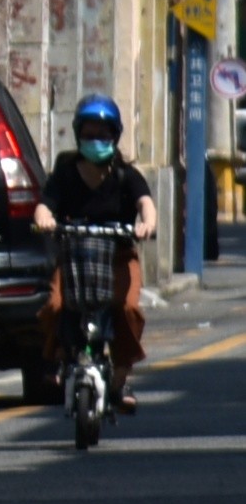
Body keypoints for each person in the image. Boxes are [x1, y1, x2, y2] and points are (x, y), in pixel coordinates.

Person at [34, 93, 155, 404]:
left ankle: (121, 375)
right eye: (89, 134)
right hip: (75, 256)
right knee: (55, 306)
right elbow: (45, 205)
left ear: (114, 136)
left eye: (102, 135)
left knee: (126, 309)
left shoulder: (126, 176)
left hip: (118, 256)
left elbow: (146, 203)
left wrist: (146, 224)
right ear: (78, 135)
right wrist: (45, 218)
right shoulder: (64, 173)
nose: (95, 141)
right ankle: (57, 355)